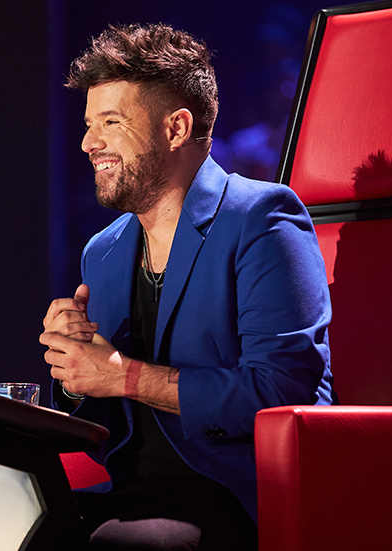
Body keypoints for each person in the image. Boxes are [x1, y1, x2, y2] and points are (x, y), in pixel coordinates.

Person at [39, 23, 333, 551]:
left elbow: (283, 392)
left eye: (110, 122)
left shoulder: (263, 219)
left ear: (176, 128)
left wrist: (122, 375)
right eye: (88, 124)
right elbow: (109, 417)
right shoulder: (102, 252)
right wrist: (76, 374)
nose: (88, 143)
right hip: (130, 492)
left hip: (237, 493)